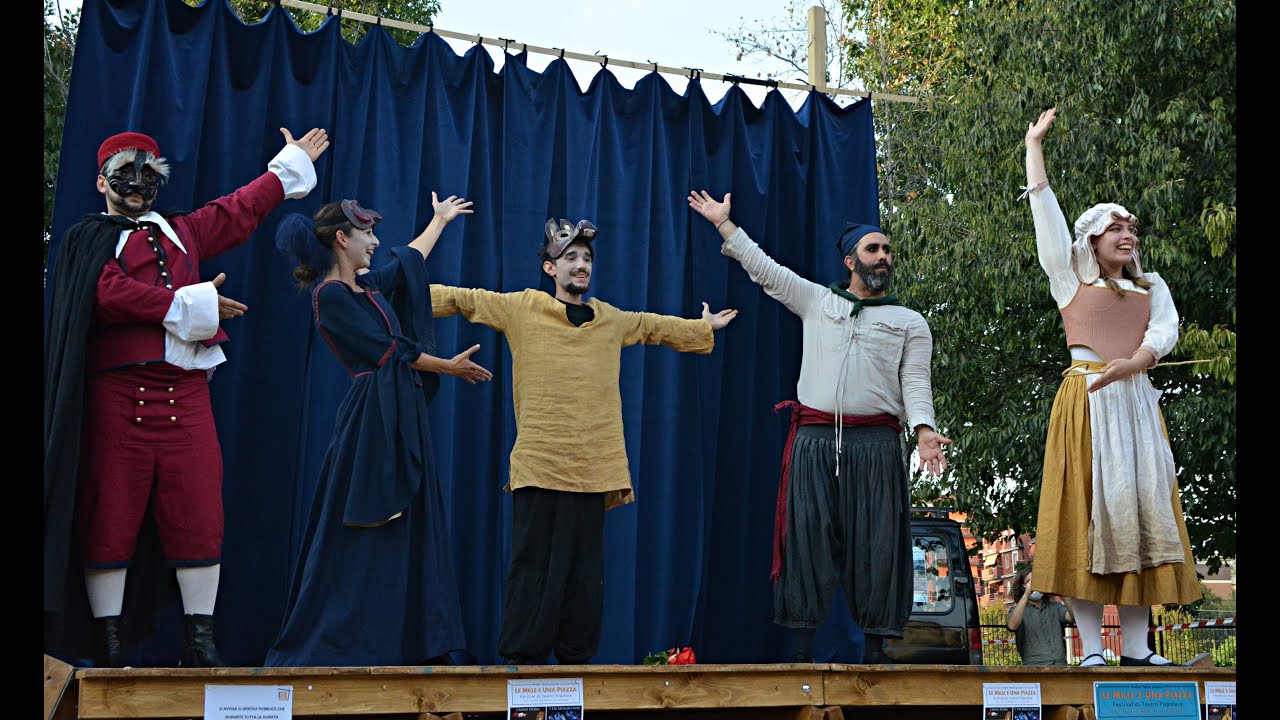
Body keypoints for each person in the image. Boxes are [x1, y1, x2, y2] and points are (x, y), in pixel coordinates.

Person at [44, 127, 330, 668]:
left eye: (147, 175)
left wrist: (287, 164)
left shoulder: (181, 232)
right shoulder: (88, 240)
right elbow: (109, 295)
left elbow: (237, 211)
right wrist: (195, 304)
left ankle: (200, 643)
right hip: (120, 395)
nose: (136, 185)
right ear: (101, 181)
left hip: (186, 393)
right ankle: (108, 645)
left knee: (199, 512)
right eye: (124, 174)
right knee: (111, 512)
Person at [429, 217, 739, 665]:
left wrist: (702, 328)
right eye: (571, 257)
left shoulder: (609, 319)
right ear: (550, 268)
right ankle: (523, 664)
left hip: (593, 466)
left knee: (584, 575)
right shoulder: (523, 307)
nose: (581, 265)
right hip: (540, 463)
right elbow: (464, 299)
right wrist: (393, 291)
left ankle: (575, 664)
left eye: (587, 259)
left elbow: (653, 326)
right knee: (533, 566)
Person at [687, 190, 952, 664]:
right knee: (806, 537)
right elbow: (766, 270)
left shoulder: (910, 322)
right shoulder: (817, 300)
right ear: (851, 261)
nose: (884, 256)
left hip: (876, 445)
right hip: (814, 442)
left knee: (877, 543)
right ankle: (802, 655)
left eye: (887, 250)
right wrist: (724, 224)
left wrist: (925, 430)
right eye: (873, 249)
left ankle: (875, 654)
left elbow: (915, 381)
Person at [266, 193, 492, 667]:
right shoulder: (330, 296)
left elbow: (406, 262)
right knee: (368, 523)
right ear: (341, 238)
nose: (374, 242)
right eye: (366, 234)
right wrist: (448, 366)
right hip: (373, 418)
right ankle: (350, 640)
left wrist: (439, 222)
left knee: (407, 521)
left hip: (397, 408)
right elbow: (389, 350)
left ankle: (404, 640)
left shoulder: (364, 287)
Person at [1022, 107, 1201, 667]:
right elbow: (1046, 218)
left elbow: (1164, 333)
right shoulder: (1068, 278)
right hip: (1088, 399)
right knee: (1086, 514)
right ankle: (1093, 649)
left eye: (1132, 230)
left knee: (1141, 513)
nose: (1127, 237)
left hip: (1136, 404)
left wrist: (1135, 363)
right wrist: (1034, 149)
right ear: (1092, 239)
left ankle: (1140, 648)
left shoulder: (1152, 287)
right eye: (1116, 229)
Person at [1006, 564, 1073, 666]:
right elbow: (1012, 625)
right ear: (1022, 587)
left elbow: (1073, 618)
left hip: (1059, 665)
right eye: (1029, 582)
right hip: (1034, 667)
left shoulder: (1055, 607)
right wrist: (1026, 594)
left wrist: (1063, 595)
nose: (1034, 586)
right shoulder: (1018, 610)